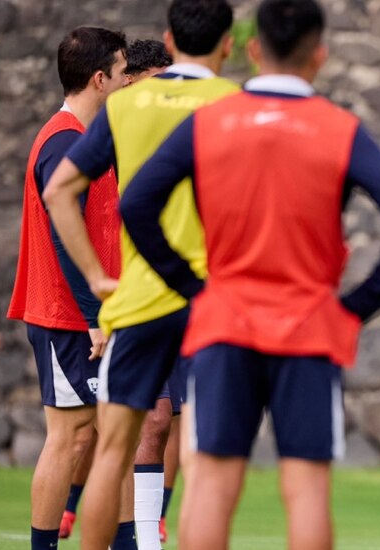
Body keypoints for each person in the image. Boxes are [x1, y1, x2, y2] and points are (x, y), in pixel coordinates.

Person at [119, 1, 380, 547]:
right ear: (321, 55)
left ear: (254, 48)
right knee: (305, 488)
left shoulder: (211, 121)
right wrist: (357, 305)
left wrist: (190, 287)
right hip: (308, 330)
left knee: (212, 482)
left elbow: (138, 203)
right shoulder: (339, 128)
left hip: (225, 324)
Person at [42, 1, 238, 549]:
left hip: (141, 299)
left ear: (169, 39)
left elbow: (58, 191)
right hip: (212, 303)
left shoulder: (127, 106)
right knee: (203, 448)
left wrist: (96, 278)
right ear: (228, 44)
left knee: (113, 449)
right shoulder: (235, 105)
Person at [5, 26, 132, 550]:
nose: (129, 83)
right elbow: (64, 240)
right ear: (100, 79)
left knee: (112, 435)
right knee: (71, 437)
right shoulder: (63, 144)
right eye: (124, 73)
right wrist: (92, 317)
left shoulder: (84, 141)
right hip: (68, 319)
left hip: (90, 316)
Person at [55, 36, 177, 544]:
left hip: (176, 295)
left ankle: (147, 528)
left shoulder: (170, 126)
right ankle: (73, 515)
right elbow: (60, 199)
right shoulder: (95, 132)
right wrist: (95, 294)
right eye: (135, 79)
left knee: (161, 422)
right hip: (128, 301)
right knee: (103, 431)